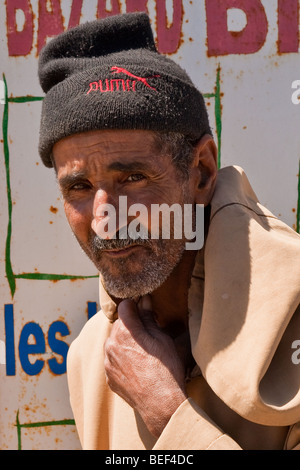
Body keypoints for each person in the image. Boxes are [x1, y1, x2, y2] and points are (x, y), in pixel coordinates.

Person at [37, 12, 300, 450]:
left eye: (132, 178)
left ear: (201, 172)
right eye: (80, 187)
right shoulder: (92, 356)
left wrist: (166, 412)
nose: (106, 217)